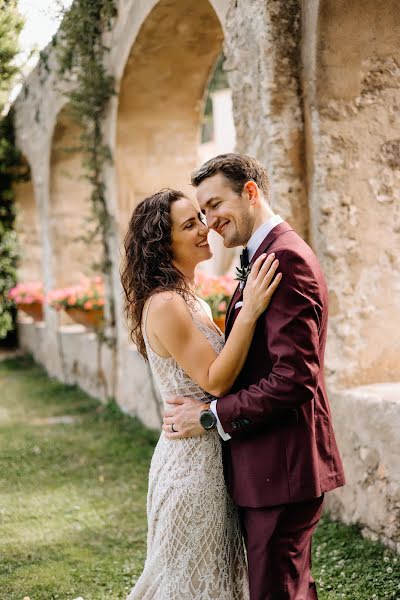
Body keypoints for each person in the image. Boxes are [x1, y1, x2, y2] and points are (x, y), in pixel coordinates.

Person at [163, 154, 346, 600]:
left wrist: (210, 416)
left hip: (282, 465)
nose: (209, 221)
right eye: (201, 212)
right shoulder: (262, 255)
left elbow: (294, 377)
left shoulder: (284, 258)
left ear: (250, 192)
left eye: (214, 204)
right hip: (267, 465)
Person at [121, 187, 281, 600]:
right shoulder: (166, 304)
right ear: (162, 242)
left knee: (216, 583)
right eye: (189, 223)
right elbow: (216, 379)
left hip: (212, 457)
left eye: (201, 217)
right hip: (191, 470)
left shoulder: (191, 301)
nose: (204, 227)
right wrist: (250, 311)